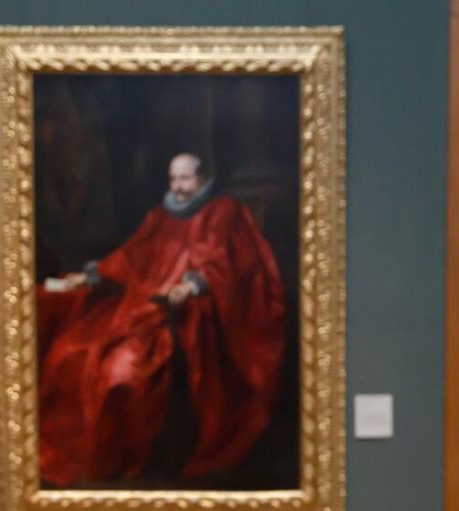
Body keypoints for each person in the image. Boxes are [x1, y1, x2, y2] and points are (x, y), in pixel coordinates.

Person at [36, 152, 286, 486]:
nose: (179, 188)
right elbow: (131, 257)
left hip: (179, 315)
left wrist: (193, 287)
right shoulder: (159, 216)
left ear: (202, 179)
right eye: (173, 179)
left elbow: (229, 263)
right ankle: (87, 464)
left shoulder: (224, 213)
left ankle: (120, 465)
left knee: (120, 372)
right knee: (70, 352)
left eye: (185, 179)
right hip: (136, 309)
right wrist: (90, 276)